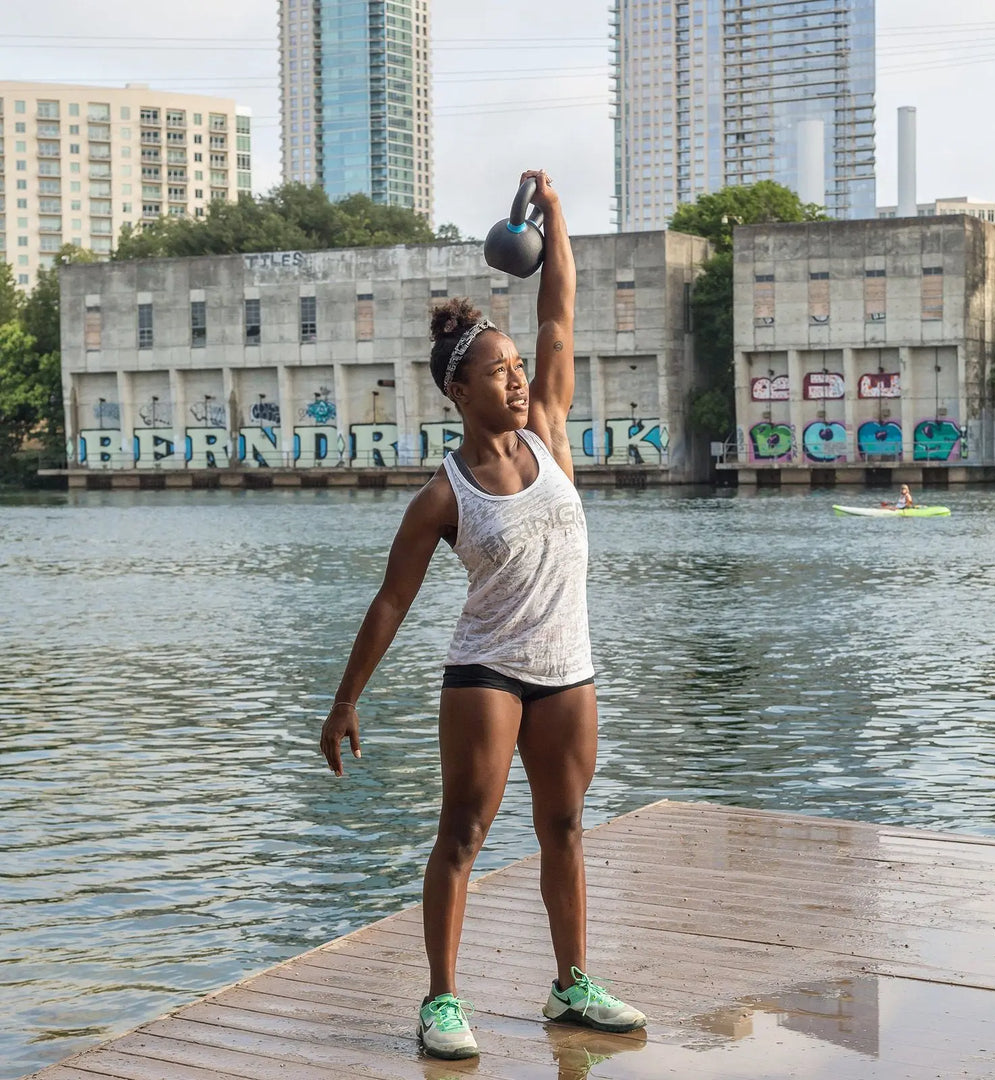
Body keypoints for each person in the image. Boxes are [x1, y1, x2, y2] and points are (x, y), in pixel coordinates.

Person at [319, 170, 646, 1061]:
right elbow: (391, 599)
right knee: (461, 832)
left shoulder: (550, 432)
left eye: (515, 369)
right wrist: (346, 700)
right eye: (496, 373)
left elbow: (558, 315)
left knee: (567, 826)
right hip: (487, 673)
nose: (514, 379)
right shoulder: (443, 494)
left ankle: (571, 986)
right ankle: (440, 1002)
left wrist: (559, 221)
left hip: (567, 667)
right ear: (457, 393)